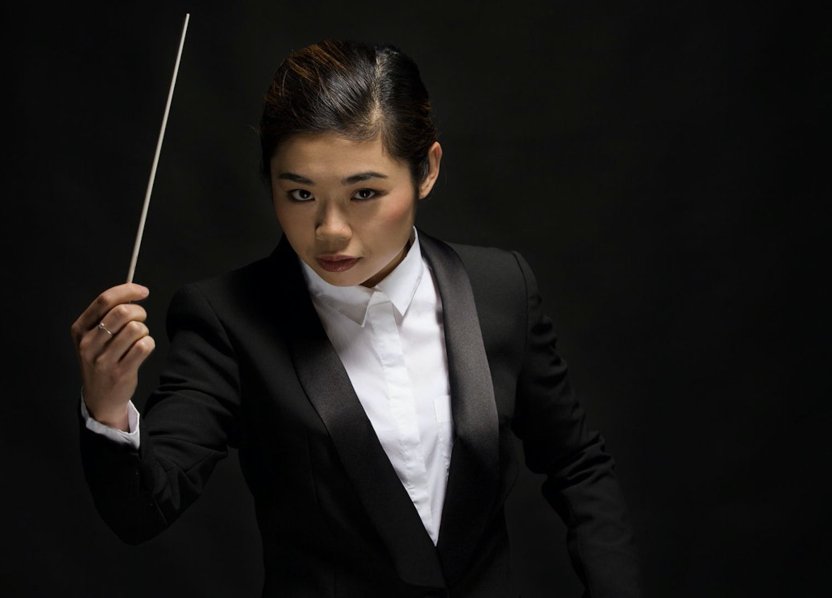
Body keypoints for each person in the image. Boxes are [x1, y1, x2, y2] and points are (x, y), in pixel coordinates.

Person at [71, 39, 642, 598]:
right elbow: (142, 512)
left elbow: (578, 464)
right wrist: (108, 407)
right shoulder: (227, 318)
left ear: (427, 170)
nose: (330, 230)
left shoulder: (501, 288)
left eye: (364, 192)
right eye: (298, 194)